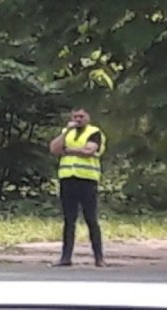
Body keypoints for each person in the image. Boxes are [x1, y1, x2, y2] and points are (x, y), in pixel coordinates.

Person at [48, 107, 107, 267]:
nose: (78, 119)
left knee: (91, 219)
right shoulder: (68, 132)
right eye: (75, 116)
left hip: (87, 180)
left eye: (81, 116)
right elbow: (54, 149)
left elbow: (89, 151)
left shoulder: (94, 132)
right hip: (68, 179)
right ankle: (65, 257)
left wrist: (68, 150)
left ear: (88, 117)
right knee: (69, 220)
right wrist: (66, 132)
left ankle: (99, 258)